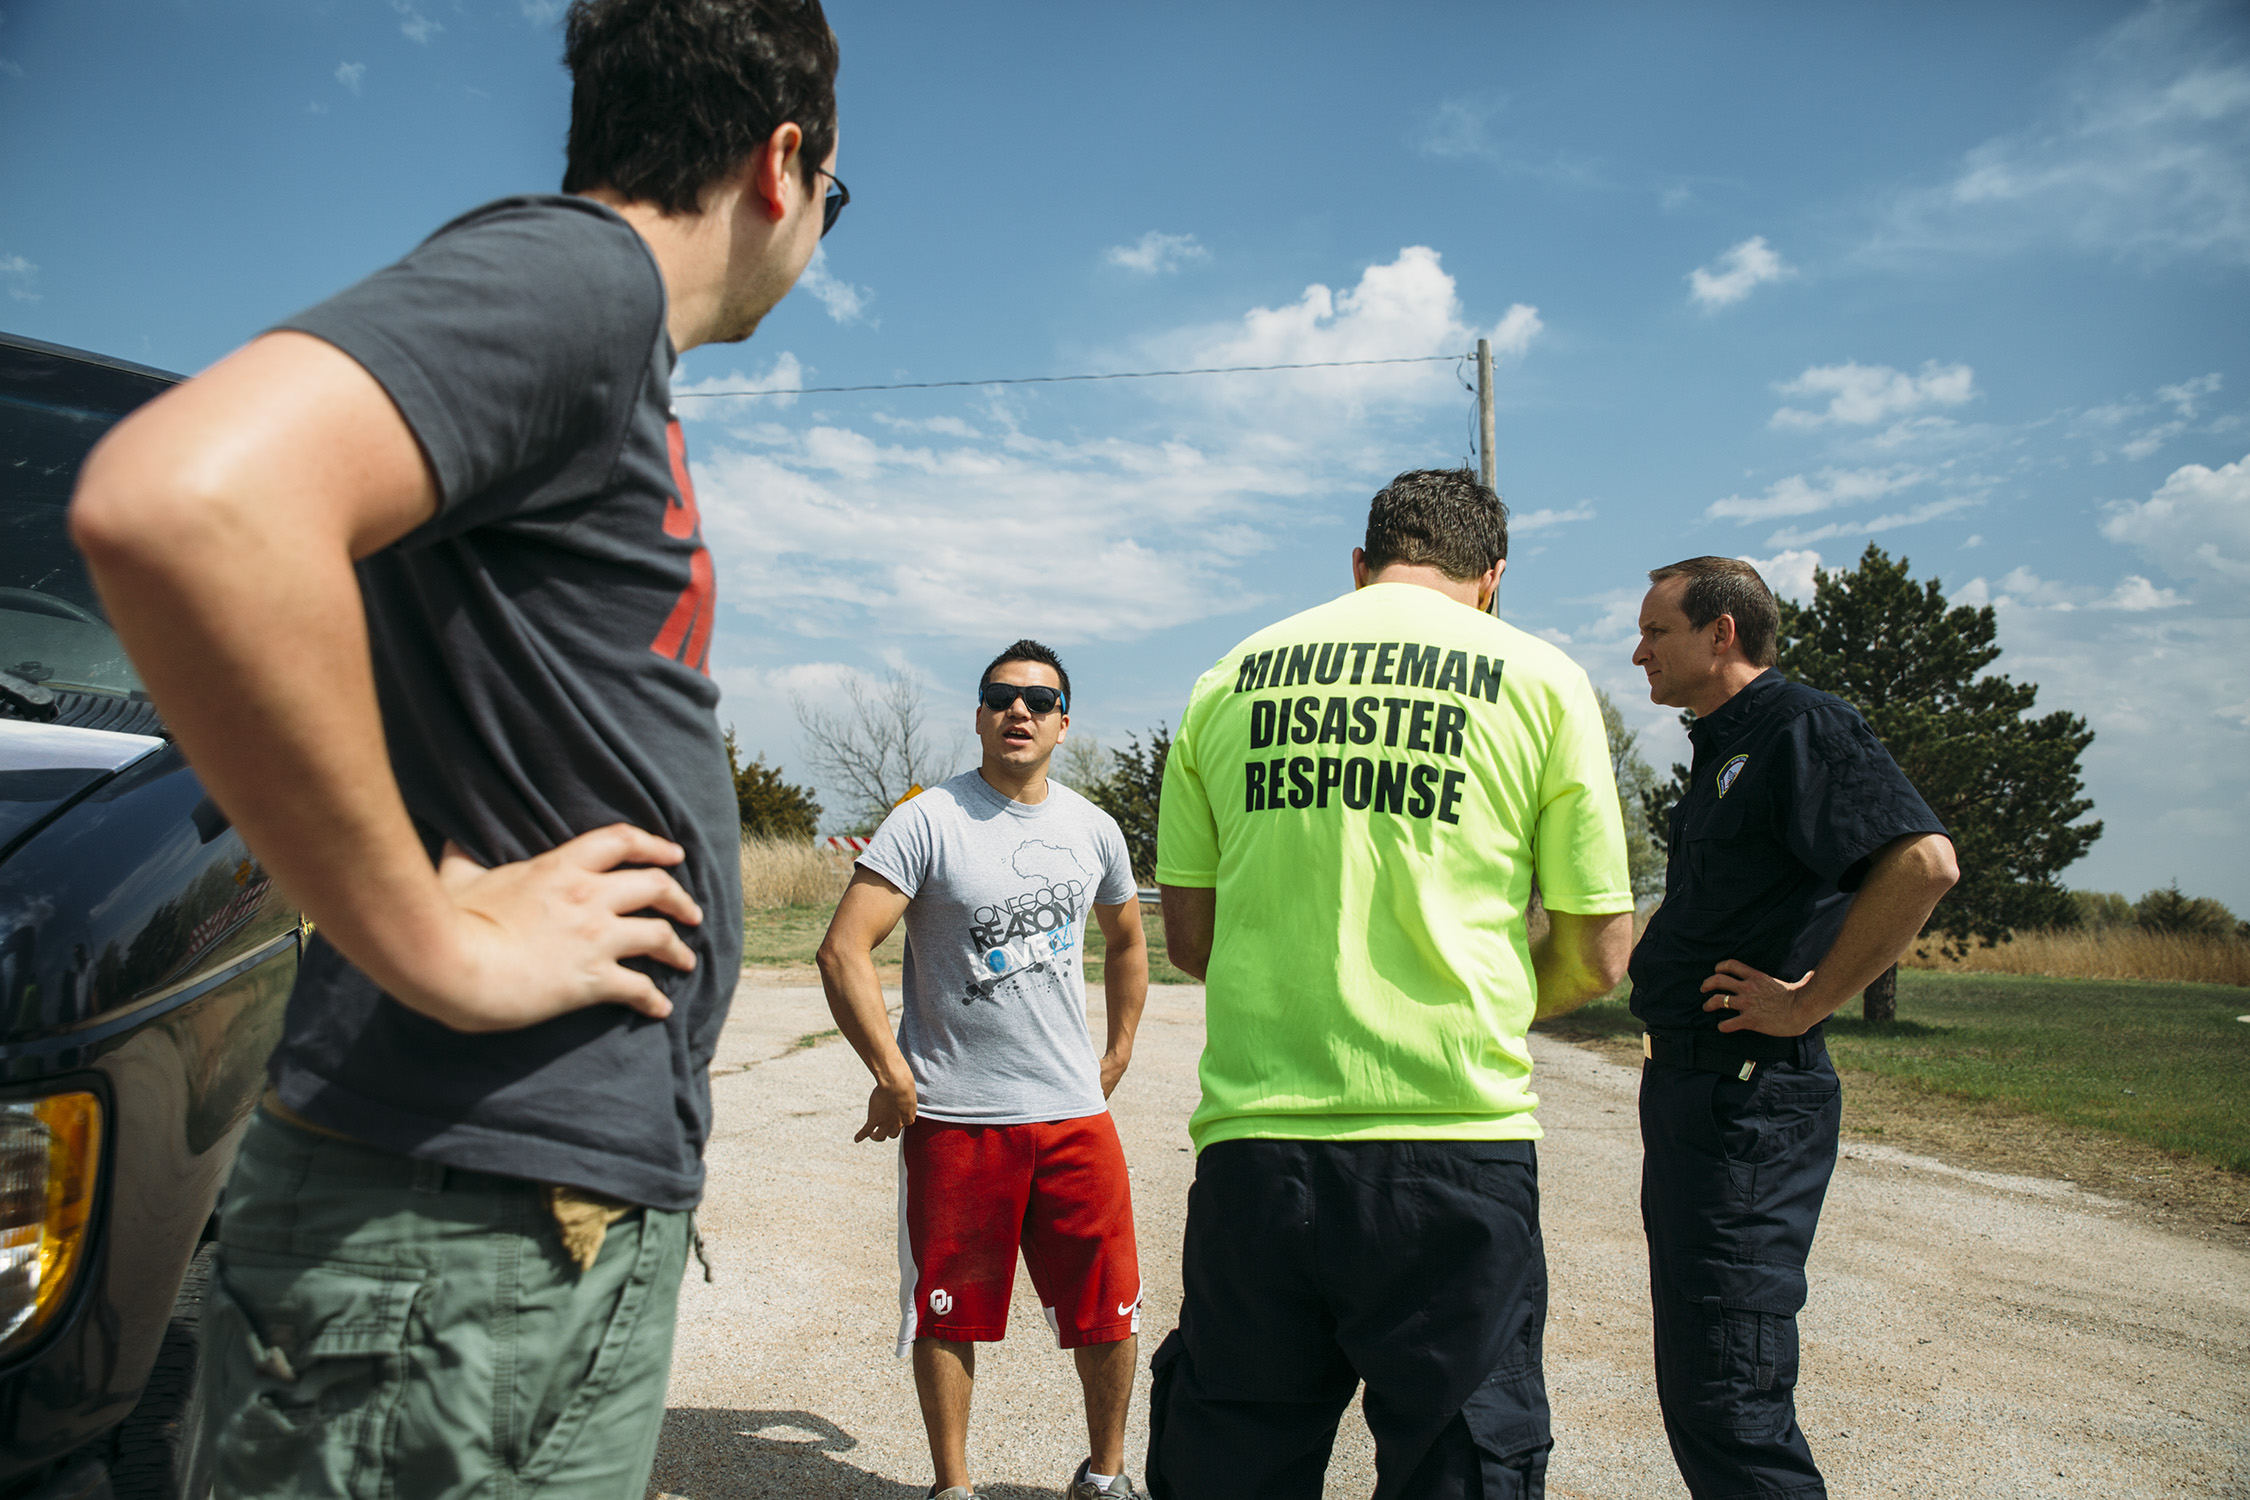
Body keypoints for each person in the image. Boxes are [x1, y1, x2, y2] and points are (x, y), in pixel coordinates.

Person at [67, 2, 841, 1494]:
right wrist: (434, 938)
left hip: (507, 1221)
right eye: (834, 196)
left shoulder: (595, 328)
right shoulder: (584, 277)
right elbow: (180, 500)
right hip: (453, 1216)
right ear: (780, 161)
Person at [1146, 468, 1635, 1500]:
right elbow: (1600, 953)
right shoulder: (1541, 680)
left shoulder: (1227, 680)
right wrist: (1489, 1001)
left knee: (1230, 1460)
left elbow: (1192, 938)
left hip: (1256, 1146)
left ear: (1361, 565)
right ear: (1493, 576)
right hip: (1455, 1140)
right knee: (1460, 1466)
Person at [1627, 557, 1959, 1499]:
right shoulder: (1724, 745)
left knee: (1731, 1395)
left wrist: (1809, 998)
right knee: (1701, 1385)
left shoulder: (1800, 726)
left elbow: (1925, 864)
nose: (1639, 651)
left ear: (1721, 633)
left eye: (1656, 631)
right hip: (1696, 1095)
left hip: (1750, 1102)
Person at [817, 640, 1152, 1500]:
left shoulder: (1093, 829)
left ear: (1064, 724)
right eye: (1001, 697)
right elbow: (843, 949)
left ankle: (1106, 1475)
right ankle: (954, 1487)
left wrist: (1117, 1051)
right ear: (978, 715)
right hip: (957, 1120)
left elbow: (1126, 940)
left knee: (1108, 1308)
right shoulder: (928, 821)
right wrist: (892, 1071)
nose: (1019, 711)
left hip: (1073, 1116)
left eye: (1039, 701)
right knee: (949, 1314)